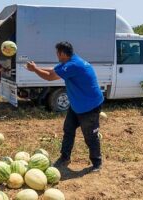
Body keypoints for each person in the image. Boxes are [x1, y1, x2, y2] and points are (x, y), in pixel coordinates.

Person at [26, 41, 104, 172]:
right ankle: (65, 157)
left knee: (90, 135)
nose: (56, 55)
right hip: (77, 105)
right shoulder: (70, 62)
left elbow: (50, 77)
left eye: (57, 53)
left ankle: (97, 162)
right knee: (68, 129)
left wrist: (35, 70)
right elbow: (54, 70)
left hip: (89, 106)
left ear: (62, 53)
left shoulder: (73, 65)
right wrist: (37, 67)